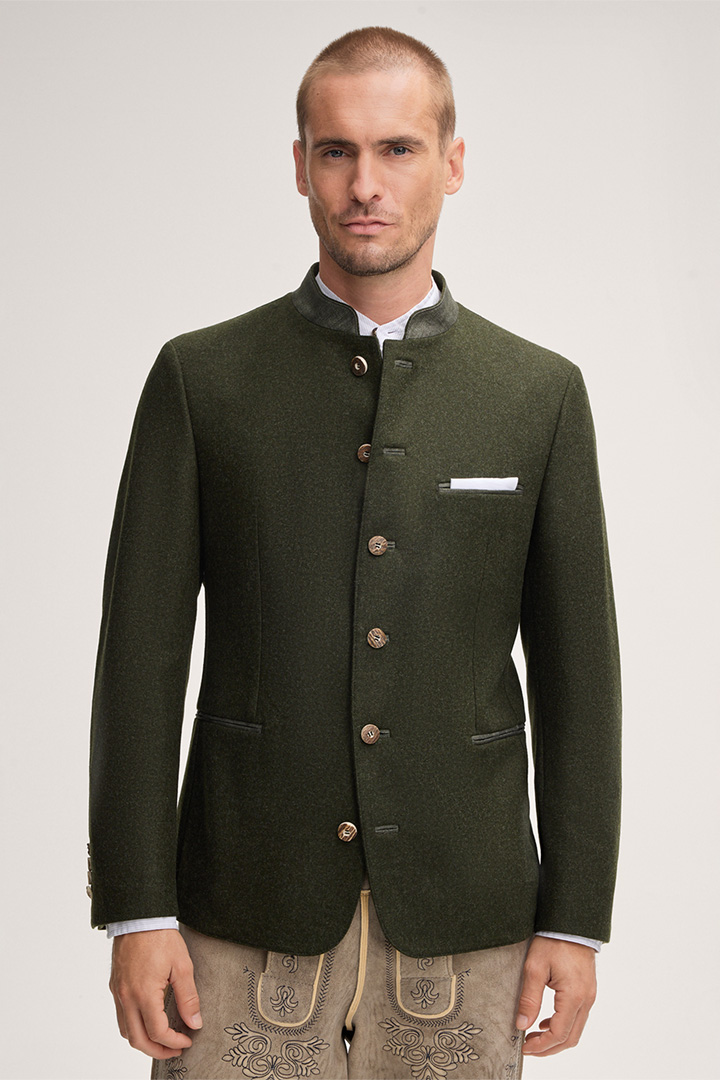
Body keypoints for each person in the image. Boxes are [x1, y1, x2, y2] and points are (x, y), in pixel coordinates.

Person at [88, 26, 621, 1080]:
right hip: (240, 904)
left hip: (470, 913)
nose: (364, 184)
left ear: (452, 163)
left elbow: (580, 677)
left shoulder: (537, 394)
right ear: (300, 166)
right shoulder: (203, 380)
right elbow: (138, 661)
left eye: (398, 149)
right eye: (336, 151)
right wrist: (136, 909)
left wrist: (577, 917)